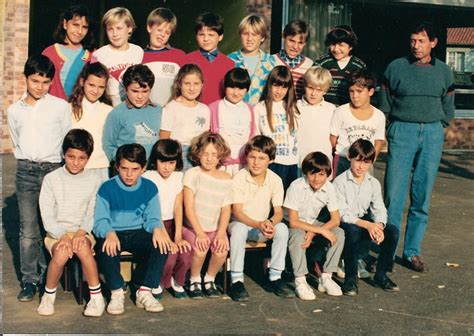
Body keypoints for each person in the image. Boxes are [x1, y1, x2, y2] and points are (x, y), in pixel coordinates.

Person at [379, 21, 455, 272]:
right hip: (403, 131)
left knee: (421, 196)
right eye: (413, 40)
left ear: (433, 42)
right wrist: (393, 126)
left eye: (421, 41)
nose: (416, 45)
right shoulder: (396, 67)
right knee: (393, 196)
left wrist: (441, 123)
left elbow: (448, 102)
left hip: (432, 133)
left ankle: (411, 252)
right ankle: (386, 252)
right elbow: (385, 101)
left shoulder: (444, 71)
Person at [7, 55, 71, 302]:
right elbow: (16, 142)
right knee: (28, 230)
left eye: (45, 82)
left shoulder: (59, 106)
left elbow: (66, 139)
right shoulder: (14, 110)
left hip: (53, 170)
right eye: (35, 81)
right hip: (26, 171)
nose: (40, 87)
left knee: (51, 226)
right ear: (26, 78)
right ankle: (29, 280)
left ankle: (49, 279)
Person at [94, 143, 172, 314]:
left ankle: (144, 290)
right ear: (117, 167)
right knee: (105, 247)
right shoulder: (107, 188)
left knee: (161, 245)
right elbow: (100, 220)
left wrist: (157, 228)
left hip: (138, 231)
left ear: (143, 168)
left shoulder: (149, 188)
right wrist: (108, 232)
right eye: (124, 168)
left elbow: (152, 218)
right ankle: (116, 291)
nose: (129, 174)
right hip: (114, 232)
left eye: (135, 169)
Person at [37, 129, 104, 316]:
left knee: (83, 248)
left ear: (88, 158)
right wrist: (62, 236)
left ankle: (96, 298)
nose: (76, 163)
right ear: (64, 154)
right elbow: (48, 215)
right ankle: (48, 296)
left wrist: (82, 232)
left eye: (81, 158)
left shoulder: (94, 179)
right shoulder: (51, 179)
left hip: (84, 231)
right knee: (61, 252)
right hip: (57, 233)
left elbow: (93, 211)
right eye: (71, 156)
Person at [229, 135, 293, 301]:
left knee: (282, 228)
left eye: (262, 158)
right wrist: (258, 224)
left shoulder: (275, 180)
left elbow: (278, 212)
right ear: (246, 157)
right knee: (239, 229)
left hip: (261, 226)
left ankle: (275, 276)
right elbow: (237, 212)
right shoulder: (239, 178)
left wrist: (270, 224)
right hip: (242, 224)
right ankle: (236, 279)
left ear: (270, 160)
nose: (256, 163)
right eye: (252, 157)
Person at [333, 139, 400, 296]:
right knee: (353, 231)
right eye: (357, 161)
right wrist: (367, 225)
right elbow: (342, 213)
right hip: (345, 222)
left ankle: (381, 275)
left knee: (393, 232)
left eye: (366, 162)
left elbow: (379, 208)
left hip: (363, 221)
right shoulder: (340, 182)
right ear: (350, 157)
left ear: (372, 162)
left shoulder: (373, 183)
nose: (361, 166)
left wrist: (379, 226)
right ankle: (350, 278)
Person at [285, 152, 344, 300]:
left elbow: (336, 219)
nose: (317, 179)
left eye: (321, 175)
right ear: (306, 173)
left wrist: (314, 232)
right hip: (292, 222)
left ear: (328, 175)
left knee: (339, 233)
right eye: (312, 174)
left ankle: (326, 277)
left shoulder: (329, 188)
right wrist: (319, 230)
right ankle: (300, 280)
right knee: (298, 236)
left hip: (312, 222)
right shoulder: (296, 186)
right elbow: (293, 221)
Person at [182, 132, 232, 299]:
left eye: (214, 154)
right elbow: (188, 208)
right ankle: (194, 279)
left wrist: (221, 233)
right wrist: (200, 232)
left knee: (221, 249)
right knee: (201, 248)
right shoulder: (192, 174)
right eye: (205, 154)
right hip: (193, 227)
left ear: (220, 156)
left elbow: (226, 209)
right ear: (198, 154)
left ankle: (209, 279)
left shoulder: (226, 178)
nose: (209, 158)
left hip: (215, 227)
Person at [143, 139, 192, 299]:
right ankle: (156, 281)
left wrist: (177, 236)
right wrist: (167, 239)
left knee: (185, 252)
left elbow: (178, 207)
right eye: (162, 162)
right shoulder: (149, 177)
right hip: (155, 225)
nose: (166, 167)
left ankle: (177, 282)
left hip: (173, 224)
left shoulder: (178, 177)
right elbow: (154, 211)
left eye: (171, 162)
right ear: (155, 161)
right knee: (168, 255)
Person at [330, 69, 385, 177]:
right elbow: (333, 138)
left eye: (359, 91)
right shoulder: (341, 111)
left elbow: (378, 141)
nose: (355, 95)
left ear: (371, 91)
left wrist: (369, 160)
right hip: (342, 160)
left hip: (364, 163)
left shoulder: (379, 116)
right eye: (351, 91)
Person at [103, 64, 161, 162]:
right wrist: (122, 165)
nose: (140, 96)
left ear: (150, 90)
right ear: (125, 89)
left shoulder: (158, 110)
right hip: (127, 171)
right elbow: (109, 145)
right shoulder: (117, 113)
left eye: (145, 91)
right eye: (135, 91)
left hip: (152, 170)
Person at [255, 65, 299, 191]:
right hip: (271, 164)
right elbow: (257, 139)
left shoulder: (295, 108)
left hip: (291, 163)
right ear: (269, 85)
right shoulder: (259, 108)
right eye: (276, 85)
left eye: (284, 87)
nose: (279, 91)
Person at [159, 64, 210, 171]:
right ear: (179, 84)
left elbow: (205, 138)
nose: (192, 88)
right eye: (187, 83)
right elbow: (164, 138)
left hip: (199, 157)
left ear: (202, 84)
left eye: (196, 84)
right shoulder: (171, 107)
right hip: (177, 156)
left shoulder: (205, 109)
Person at [91, 7, 144, 106]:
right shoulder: (98, 55)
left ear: (129, 28)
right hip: (109, 109)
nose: (114, 34)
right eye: (110, 29)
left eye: (119, 28)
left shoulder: (138, 52)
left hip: (134, 109)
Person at [42, 4, 95, 101]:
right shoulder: (50, 53)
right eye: (75, 25)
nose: (79, 31)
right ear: (65, 24)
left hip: (80, 111)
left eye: (84, 27)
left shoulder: (92, 56)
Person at [70, 62, 113, 181]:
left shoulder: (109, 111)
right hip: (75, 168)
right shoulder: (69, 109)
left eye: (101, 87)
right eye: (92, 85)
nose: (95, 91)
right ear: (82, 82)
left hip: (101, 168)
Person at [209, 68, 256, 175]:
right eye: (232, 87)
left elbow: (252, 137)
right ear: (225, 87)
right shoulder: (214, 108)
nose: (236, 93)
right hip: (220, 166)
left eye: (241, 88)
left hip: (243, 167)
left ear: (247, 89)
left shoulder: (250, 109)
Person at [185, 12, 235, 105]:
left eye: (211, 35)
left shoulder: (229, 64)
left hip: (219, 114)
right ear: (196, 36)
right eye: (201, 34)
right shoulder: (187, 60)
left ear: (220, 36)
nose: (206, 39)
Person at [142, 7, 187, 107]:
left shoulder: (179, 56)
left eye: (167, 32)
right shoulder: (139, 56)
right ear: (149, 27)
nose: (162, 35)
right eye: (159, 30)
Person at [228, 14, 275, 105]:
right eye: (245, 34)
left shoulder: (271, 62)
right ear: (240, 35)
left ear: (262, 37)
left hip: (261, 114)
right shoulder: (230, 60)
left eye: (254, 34)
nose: (249, 38)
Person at [315, 25, 366, 106]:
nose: (336, 49)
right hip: (324, 109)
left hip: (348, 111)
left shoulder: (358, 66)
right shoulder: (322, 62)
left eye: (341, 45)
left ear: (351, 46)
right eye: (333, 44)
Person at [296, 66, 335, 168]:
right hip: (298, 163)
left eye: (319, 90)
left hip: (322, 165)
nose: (313, 94)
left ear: (325, 91)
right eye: (310, 88)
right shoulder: (294, 107)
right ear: (304, 86)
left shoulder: (331, 110)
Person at [273, 20, 313, 99]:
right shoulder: (271, 61)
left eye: (300, 43)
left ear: (305, 43)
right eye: (292, 41)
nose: (295, 46)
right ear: (284, 37)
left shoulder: (309, 65)